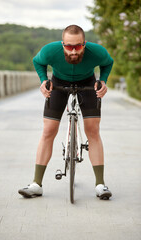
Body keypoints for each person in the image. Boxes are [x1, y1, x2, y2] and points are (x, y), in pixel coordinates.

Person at [18, 25, 113, 200]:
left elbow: (108, 62)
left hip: (87, 83)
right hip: (58, 84)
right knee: (48, 131)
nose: (74, 51)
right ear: (63, 44)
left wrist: (103, 81)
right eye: (69, 46)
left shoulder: (97, 51)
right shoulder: (50, 50)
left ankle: (100, 184)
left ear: (84, 43)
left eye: (78, 46)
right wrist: (43, 80)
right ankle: (36, 184)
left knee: (93, 131)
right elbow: (37, 61)